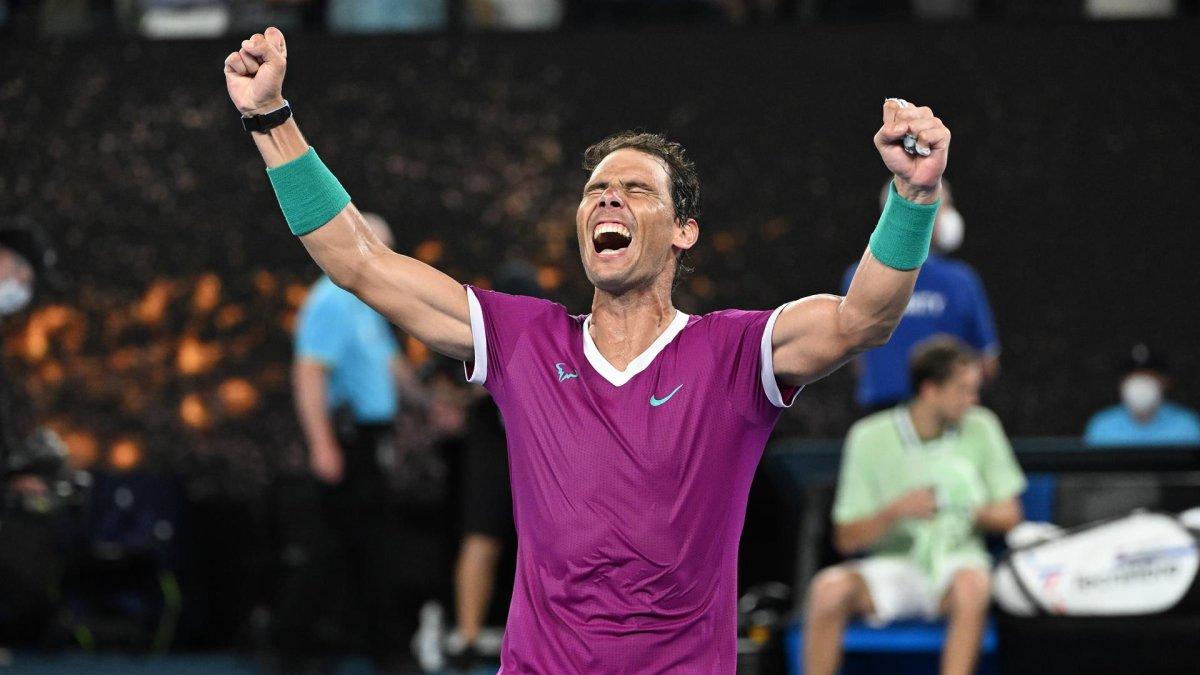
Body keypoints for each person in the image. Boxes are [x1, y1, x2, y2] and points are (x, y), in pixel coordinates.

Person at [224, 28, 952, 671]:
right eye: (597, 189)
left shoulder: (737, 350)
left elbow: (864, 319)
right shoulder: (523, 339)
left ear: (684, 230)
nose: (607, 199)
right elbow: (361, 263)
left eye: (636, 189)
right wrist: (270, 118)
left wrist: (913, 199)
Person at [804, 336, 1025, 675]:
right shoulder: (868, 437)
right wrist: (895, 512)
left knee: (973, 584)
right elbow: (846, 539)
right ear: (930, 390)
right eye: (964, 390)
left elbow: (1011, 515)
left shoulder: (983, 426)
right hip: (896, 569)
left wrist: (969, 508)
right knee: (827, 589)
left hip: (958, 566)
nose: (974, 399)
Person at [286, 211, 429, 669]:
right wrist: (321, 444)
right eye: (376, 248)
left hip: (371, 439)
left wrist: (427, 405)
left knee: (361, 544)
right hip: (348, 440)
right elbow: (308, 374)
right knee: (341, 547)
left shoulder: (366, 301)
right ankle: (296, 647)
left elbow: (392, 368)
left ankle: (355, 645)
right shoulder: (329, 299)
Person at [842, 178, 1000, 411]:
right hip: (943, 415)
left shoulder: (858, 275)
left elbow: (853, 357)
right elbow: (988, 362)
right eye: (945, 205)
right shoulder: (961, 280)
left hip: (881, 414)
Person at [1084, 343, 1200, 447]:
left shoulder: (1187, 424)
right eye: (1134, 376)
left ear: (1165, 382)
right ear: (1122, 383)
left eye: (1149, 376)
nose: (1141, 383)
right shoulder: (1102, 425)